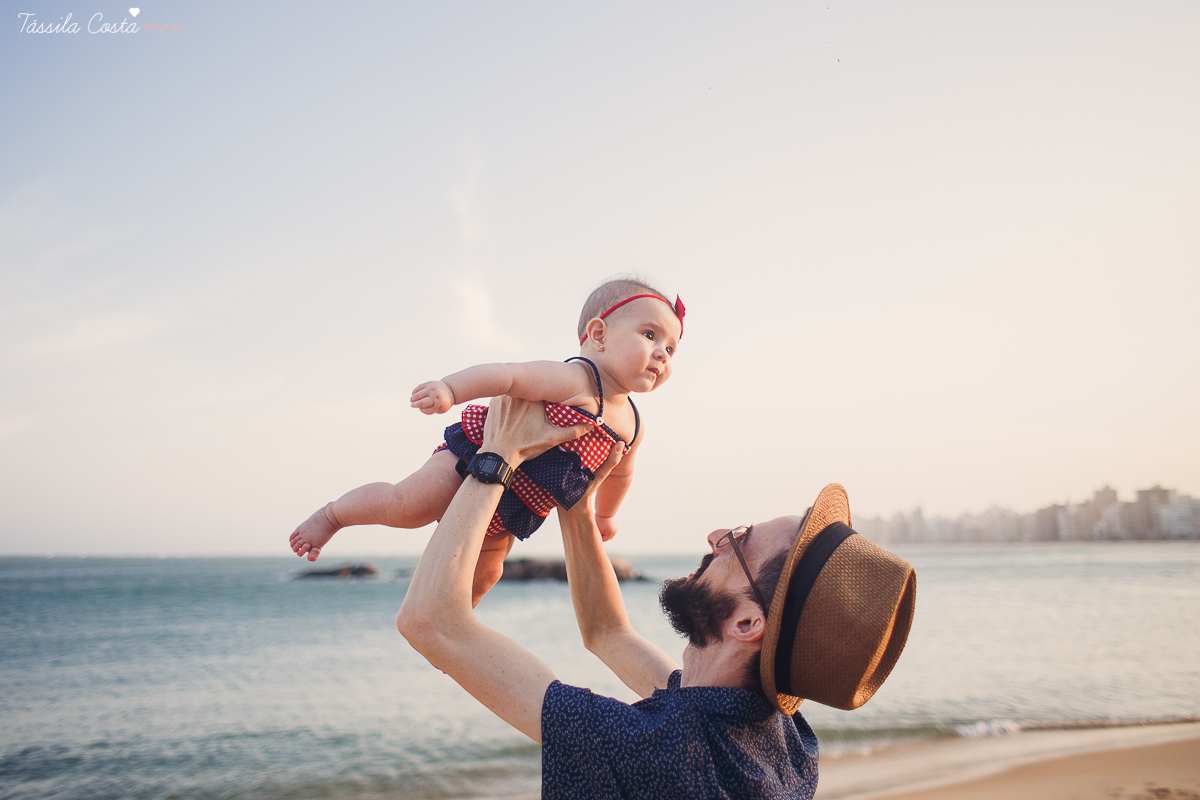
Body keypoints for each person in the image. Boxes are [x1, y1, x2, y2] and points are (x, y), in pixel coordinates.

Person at [397, 396, 917, 800]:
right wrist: (575, 500)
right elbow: (607, 632)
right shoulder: (780, 740)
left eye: (739, 540)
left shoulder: (667, 750)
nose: (716, 537)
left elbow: (429, 623)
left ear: (747, 624)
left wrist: (497, 455)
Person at [288, 278, 685, 605]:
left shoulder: (632, 423)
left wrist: (606, 515)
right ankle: (333, 515)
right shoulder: (576, 379)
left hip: (514, 503)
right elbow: (507, 376)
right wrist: (449, 389)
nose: (662, 354)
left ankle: (452, 624)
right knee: (407, 506)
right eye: (650, 335)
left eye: (670, 348)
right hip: (473, 463)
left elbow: (620, 474)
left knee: (488, 571)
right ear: (598, 334)